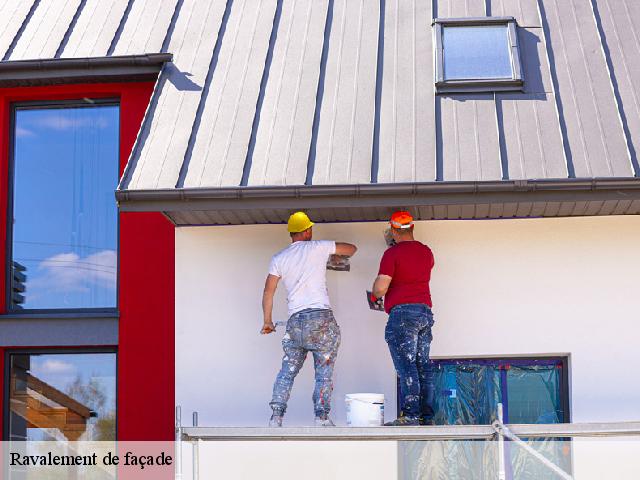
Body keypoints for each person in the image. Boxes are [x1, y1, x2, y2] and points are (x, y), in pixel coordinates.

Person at [262, 212, 357, 427]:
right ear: (307, 231)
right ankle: (321, 417)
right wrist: (330, 256)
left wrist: (267, 321)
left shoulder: (279, 258)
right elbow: (351, 249)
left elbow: (268, 292)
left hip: (295, 322)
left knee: (287, 370)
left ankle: (276, 417)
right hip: (320, 319)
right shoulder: (318, 247)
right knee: (323, 369)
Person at [370, 211, 435, 426]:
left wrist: (374, 295)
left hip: (403, 315)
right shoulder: (426, 252)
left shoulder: (393, 254)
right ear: (412, 228)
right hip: (424, 313)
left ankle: (410, 416)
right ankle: (427, 416)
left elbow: (381, 288)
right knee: (421, 365)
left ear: (394, 230)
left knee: (406, 366)